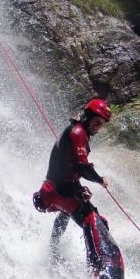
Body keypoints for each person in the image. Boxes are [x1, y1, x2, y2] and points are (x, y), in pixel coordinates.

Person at [34, 98, 111, 256]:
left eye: (101, 124)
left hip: (56, 189)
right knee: (94, 221)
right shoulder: (78, 132)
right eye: (96, 122)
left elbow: (74, 167)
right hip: (60, 191)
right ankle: (97, 264)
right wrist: (100, 180)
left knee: (68, 212)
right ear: (88, 117)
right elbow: (82, 167)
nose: (98, 127)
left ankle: (53, 249)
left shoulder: (77, 129)